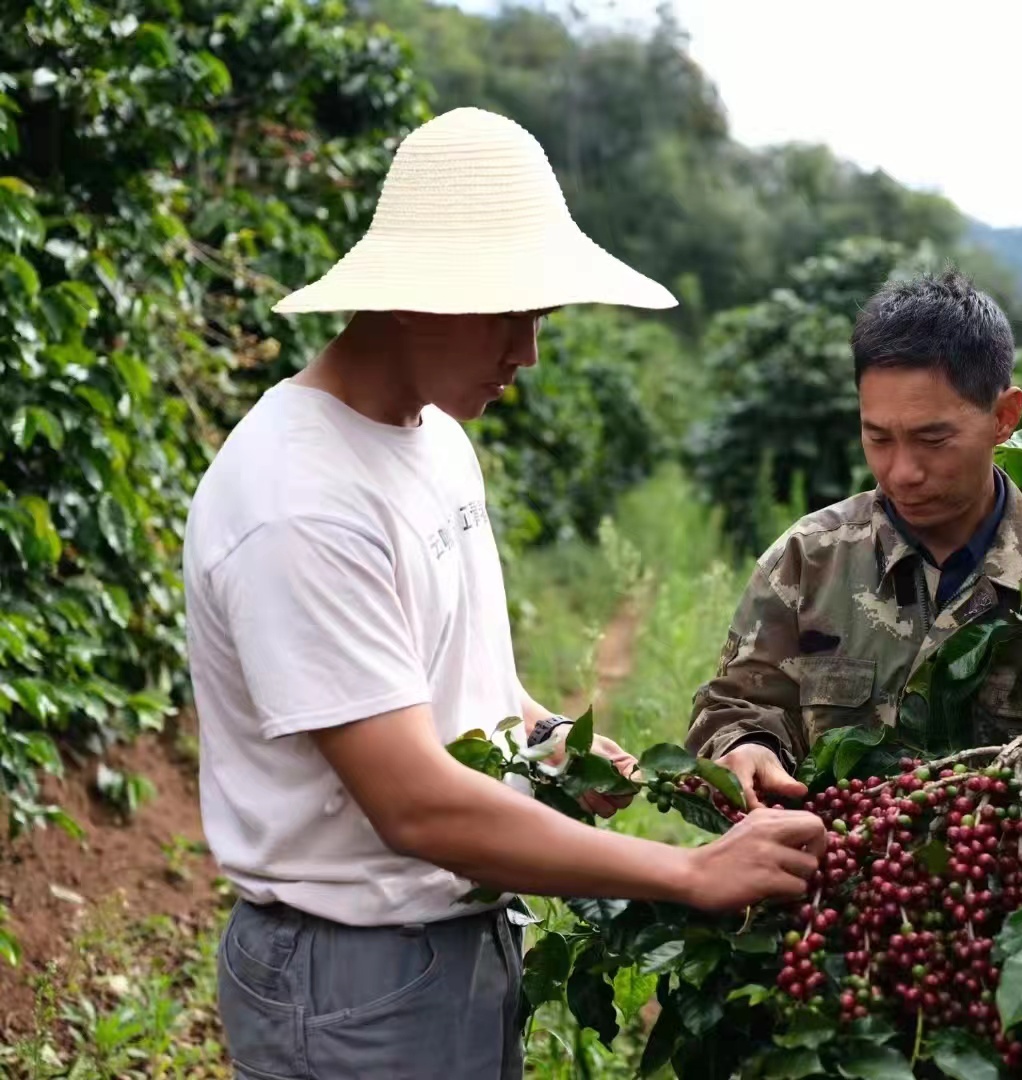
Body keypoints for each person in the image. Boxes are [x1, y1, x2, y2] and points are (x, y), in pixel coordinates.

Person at [182, 108, 825, 1080]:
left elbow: (469, 699)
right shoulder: (298, 502)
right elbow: (416, 805)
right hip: (354, 982)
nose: (527, 352)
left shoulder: (435, 439)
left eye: (540, 319)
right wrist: (690, 875)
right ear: (414, 298)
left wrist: (566, 748)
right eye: (507, 315)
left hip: (458, 944)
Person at [686, 271, 1022, 810]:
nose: (901, 473)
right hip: (845, 886)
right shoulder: (809, 561)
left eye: (932, 439)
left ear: (1004, 418)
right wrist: (745, 748)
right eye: (877, 437)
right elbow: (736, 704)